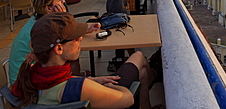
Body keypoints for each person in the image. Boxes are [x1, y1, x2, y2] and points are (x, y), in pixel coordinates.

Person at [12, 12, 154, 109]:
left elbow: (61, 83)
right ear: (59, 49)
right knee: (138, 57)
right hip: (117, 98)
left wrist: (95, 80)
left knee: (141, 73)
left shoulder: (30, 75)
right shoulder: (79, 87)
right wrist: (101, 86)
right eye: (76, 38)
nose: (80, 39)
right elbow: (128, 98)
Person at [8, 0, 100, 85]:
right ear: (48, 9)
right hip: (26, 83)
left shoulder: (39, 21)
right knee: (69, 56)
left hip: (26, 75)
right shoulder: (44, 29)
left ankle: (78, 77)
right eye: (59, 0)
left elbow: (68, 32)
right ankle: (77, 79)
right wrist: (63, 16)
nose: (63, 1)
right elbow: (64, 37)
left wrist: (87, 29)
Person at [106, 0, 169, 66]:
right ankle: (128, 57)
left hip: (113, 1)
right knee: (123, 30)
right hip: (119, 3)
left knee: (120, 29)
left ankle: (122, 56)